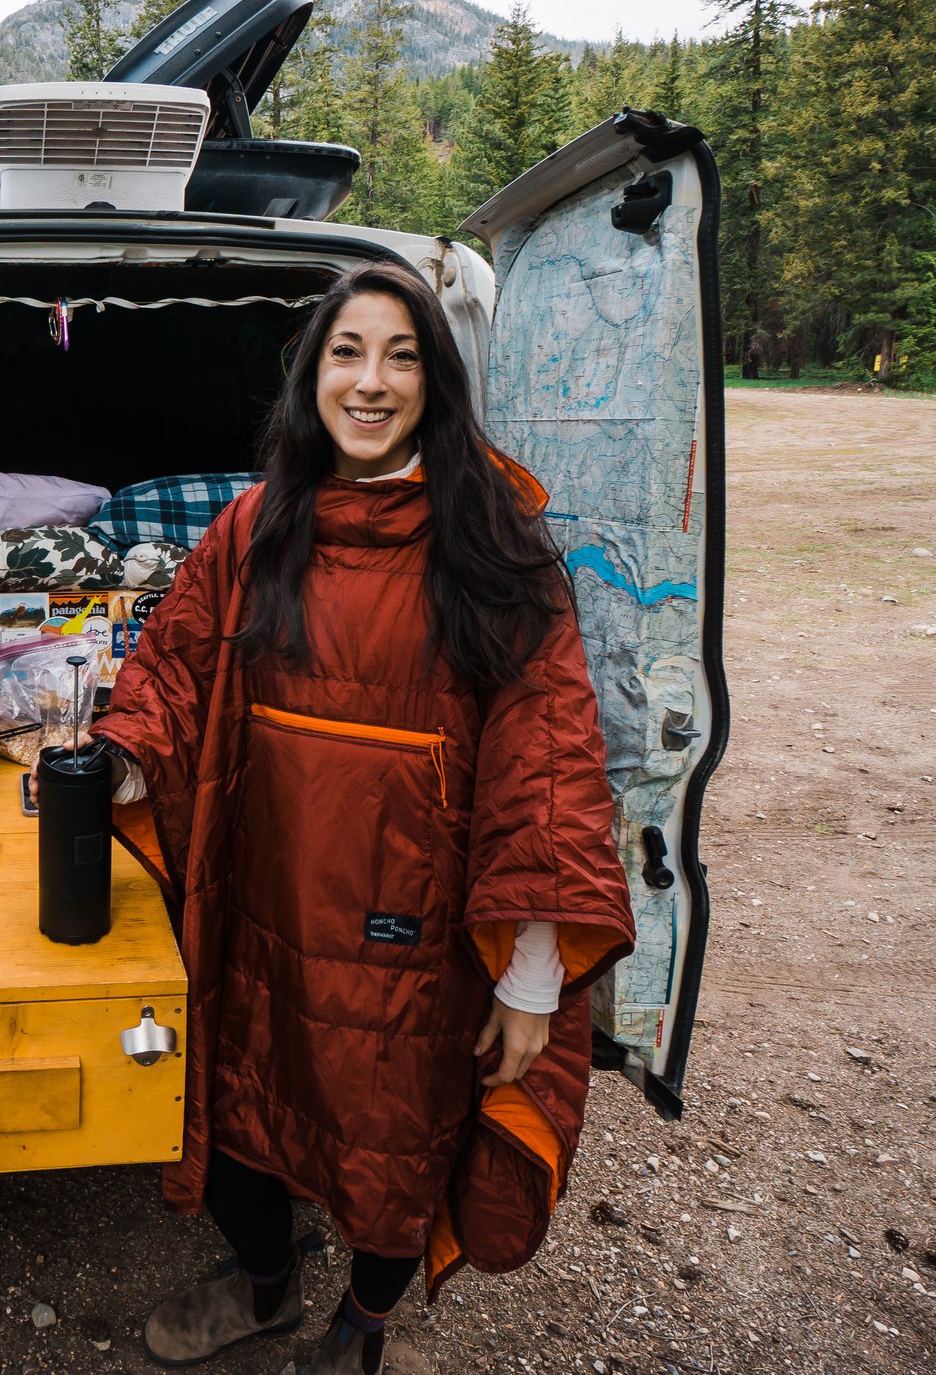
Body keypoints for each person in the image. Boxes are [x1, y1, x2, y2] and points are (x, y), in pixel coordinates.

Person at [89, 263, 635, 1374]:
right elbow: (176, 666)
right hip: (260, 894)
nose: (371, 381)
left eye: (400, 354)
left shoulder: (494, 539)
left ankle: (362, 1323)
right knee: (237, 1111)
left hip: (415, 929)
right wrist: (122, 759)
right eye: (347, 352)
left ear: (434, 377)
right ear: (311, 374)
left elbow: (546, 753)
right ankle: (264, 1283)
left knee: (392, 1143)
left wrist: (532, 968)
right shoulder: (256, 525)